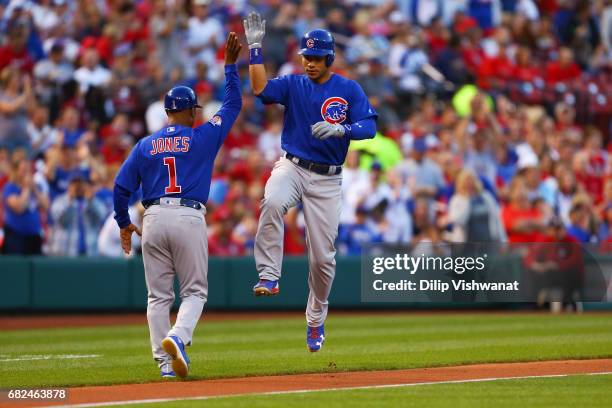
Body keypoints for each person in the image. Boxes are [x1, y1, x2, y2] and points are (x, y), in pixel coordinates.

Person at [243, 13, 377, 352]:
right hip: (293, 165)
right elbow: (259, 88)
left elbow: (370, 127)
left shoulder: (348, 88)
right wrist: (255, 47)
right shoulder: (294, 83)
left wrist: (343, 129)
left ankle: (315, 319)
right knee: (272, 200)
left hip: (328, 179)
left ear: (329, 59)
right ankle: (269, 274)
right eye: (306, 57)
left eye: (316, 58)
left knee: (322, 259)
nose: (310, 63)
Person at [112, 33, 241, 379]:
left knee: (157, 297)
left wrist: (124, 223)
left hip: (151, 217)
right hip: (187, 215)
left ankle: (165, 365)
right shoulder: (202, 136)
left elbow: (121, 187)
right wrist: (230, 68)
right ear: (188, 111)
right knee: (195, 291)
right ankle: (178, 337)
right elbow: (232, 106)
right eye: (194, 110)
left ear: (168, 111)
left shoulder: (144, 145)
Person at [2, 159, 48, 254]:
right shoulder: (10, 187)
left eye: (28, 170)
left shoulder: (36, 187)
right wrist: (26, 188)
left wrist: (34, 189)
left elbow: (46, 206)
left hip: (34, 235)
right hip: (16, 235)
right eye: (23, 170)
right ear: (16, 171)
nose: (26, 174)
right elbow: (19, 208)